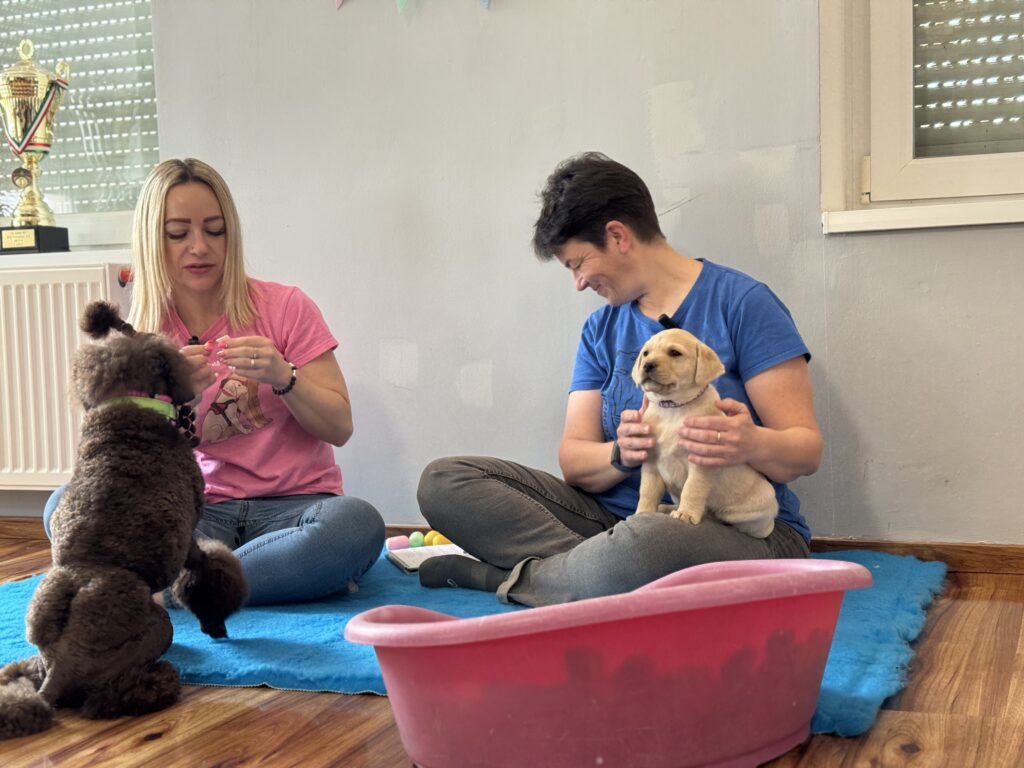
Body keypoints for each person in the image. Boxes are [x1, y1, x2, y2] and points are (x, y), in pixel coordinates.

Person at [417, 152, 822, 607]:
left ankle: (503, 579)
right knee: (445, 481)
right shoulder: (599, 330)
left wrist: (750, 443)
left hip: (733, 532)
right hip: (614, 523)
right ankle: (591, 573)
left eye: (576, 264)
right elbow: (574, 461)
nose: (577, 282)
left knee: (649, 542)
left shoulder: (744, 303)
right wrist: (621, 454)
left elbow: (806, 452)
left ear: (617, 236)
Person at [43, 158, 385, 605]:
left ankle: (179, 585)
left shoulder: (287, 306)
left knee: (357, 525)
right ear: (153, 239)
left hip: (297, 508)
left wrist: (285, 377)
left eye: (214, 230)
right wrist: (167, 397)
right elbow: (113, 451)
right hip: (191, 511)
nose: (199, 247)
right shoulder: (139, 333)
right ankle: (253, 579)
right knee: (64, 503)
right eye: (179, 233)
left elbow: (339, 427)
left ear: (232, 234)